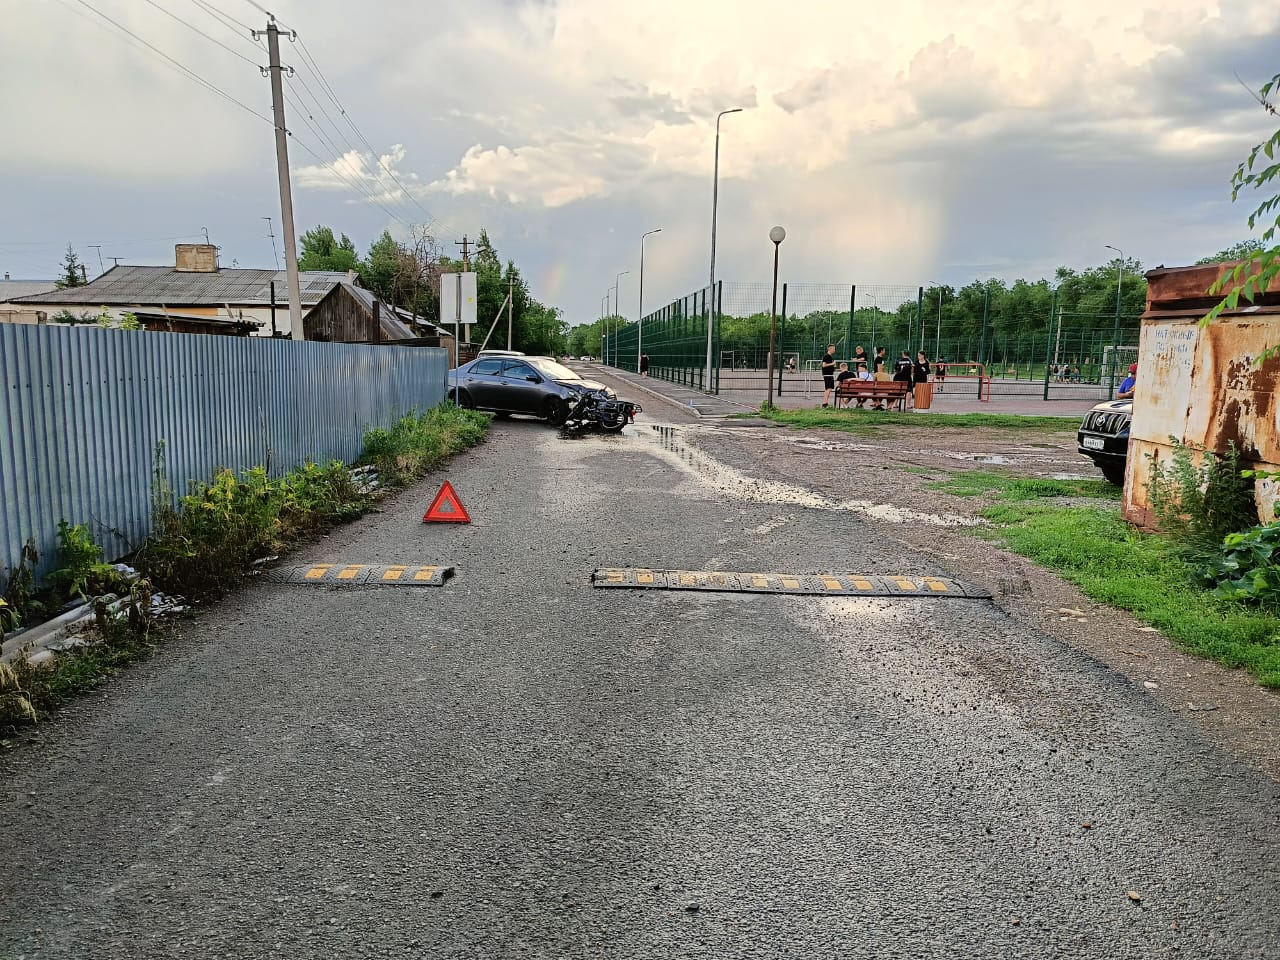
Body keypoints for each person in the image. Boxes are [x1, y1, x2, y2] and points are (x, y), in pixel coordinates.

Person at [820, 343, 837, 408]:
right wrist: (832, 363)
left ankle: (825, 402)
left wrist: (833, 365)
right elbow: (824, 365)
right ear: (830, 349)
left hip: (830, 374)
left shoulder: (830, 357)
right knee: (828, 389)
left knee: (828, 389)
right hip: (827, 375)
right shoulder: (826, 356)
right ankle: (824, 403)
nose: (834, 350)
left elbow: (830, 365)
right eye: (833, 349)